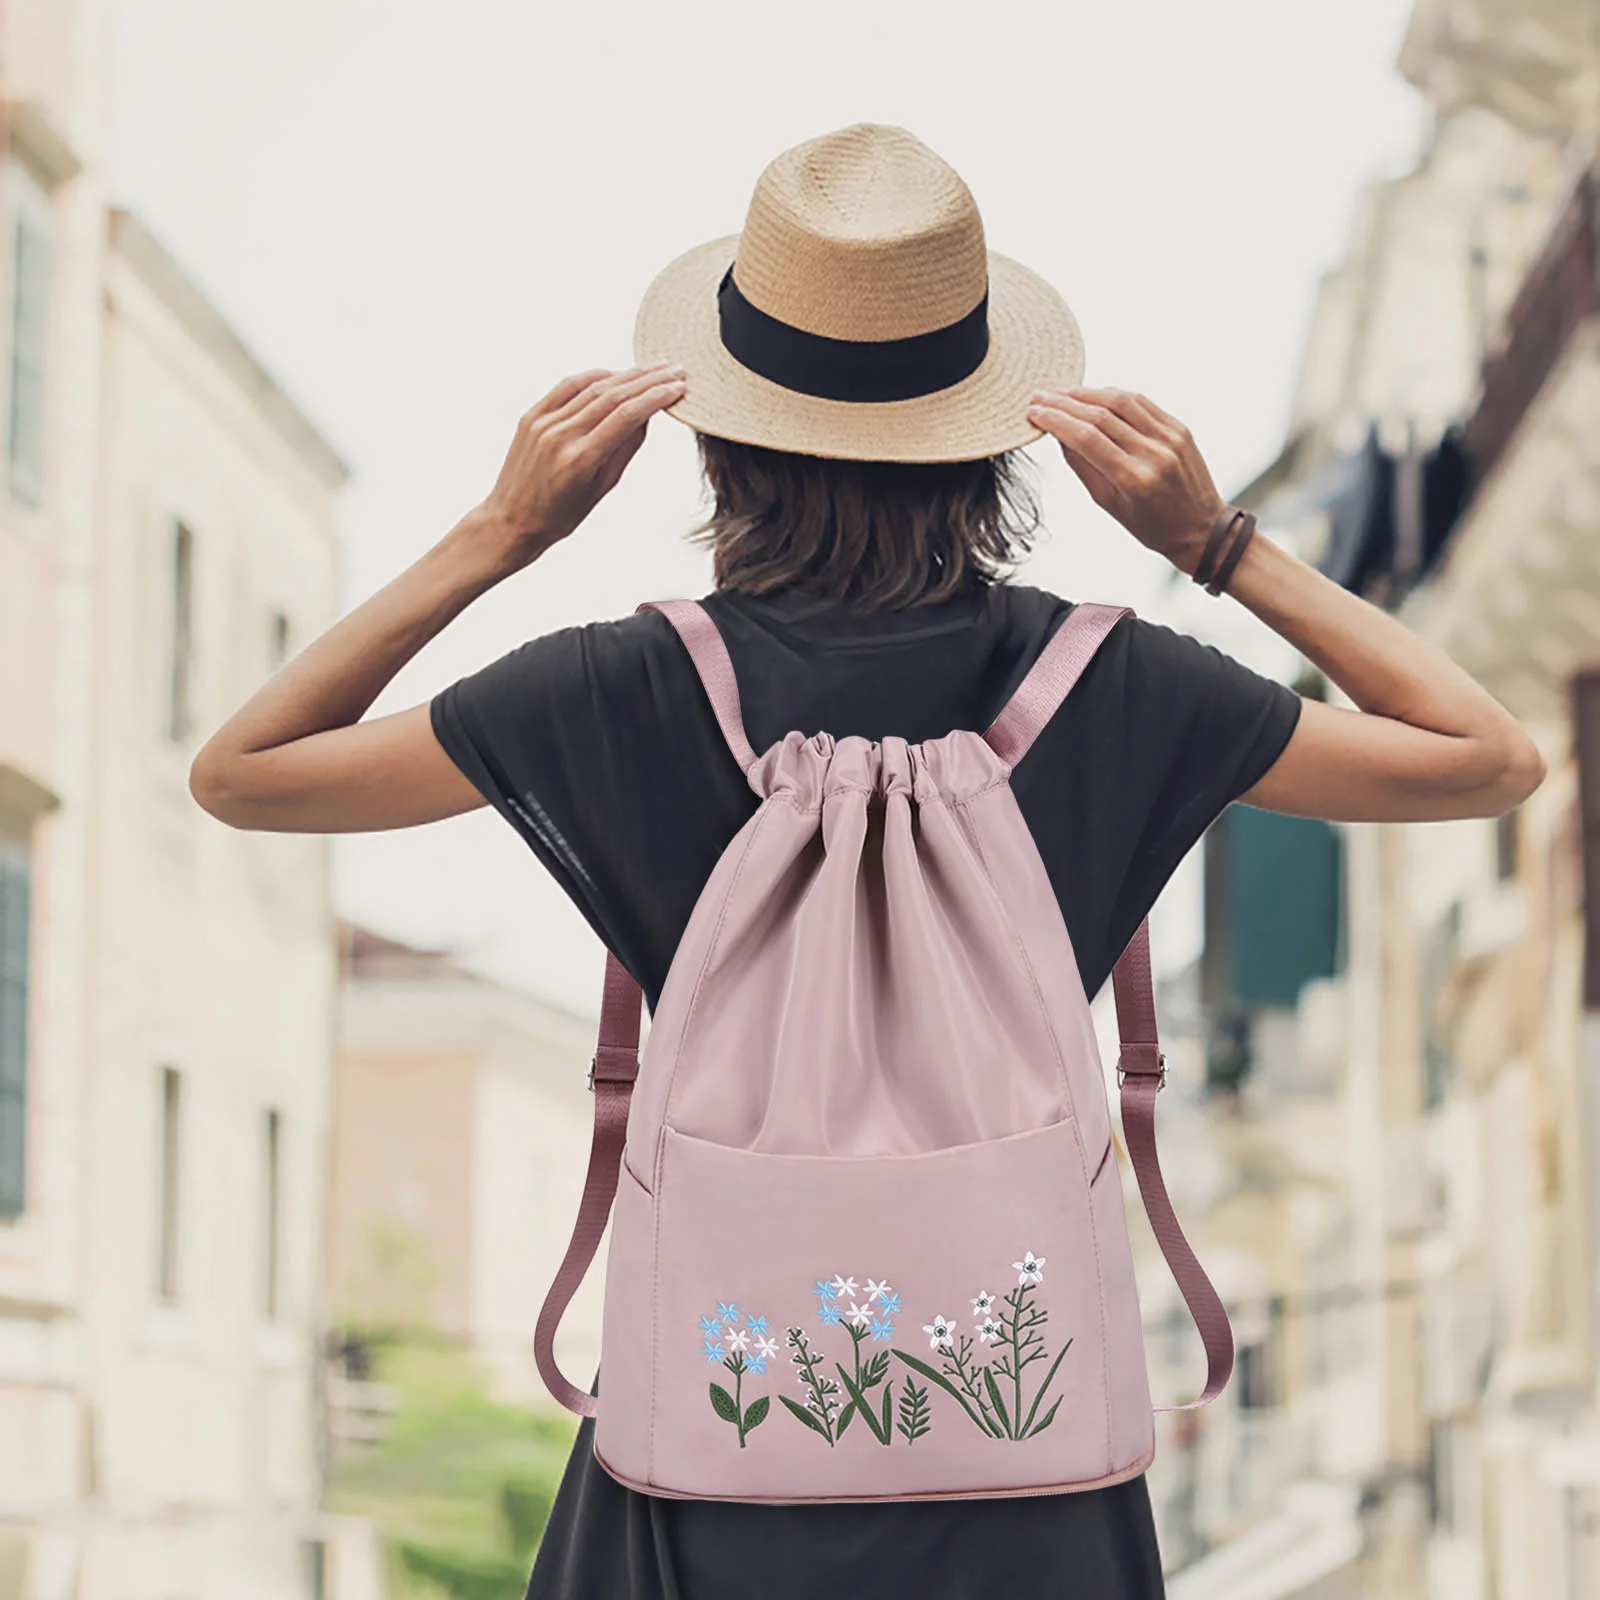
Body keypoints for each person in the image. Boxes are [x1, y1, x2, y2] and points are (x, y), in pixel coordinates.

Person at [192, 125, 1542, 1599]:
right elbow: (1485, 758)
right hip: (1027, 1486)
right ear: (993, 438)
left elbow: (245, 773)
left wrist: (497, 535)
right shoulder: (1121, 683)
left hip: (702, 1467)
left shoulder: (612, 687)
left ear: (713, 429)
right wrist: (1215, 542)